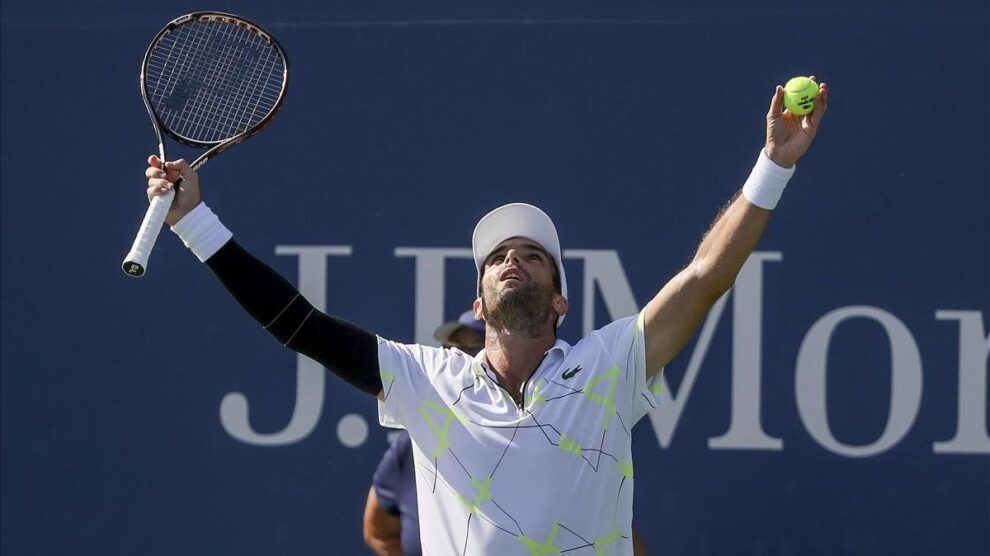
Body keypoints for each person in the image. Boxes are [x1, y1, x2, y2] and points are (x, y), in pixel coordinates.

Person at [144, 81, 827, 555]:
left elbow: (706, 278)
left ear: (560, 301)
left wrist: (772, 164)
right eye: (497, 256)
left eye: (533, 256)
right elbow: (300, 324)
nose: (512, 262)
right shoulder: (425, 380)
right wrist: (196, 223)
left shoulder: (610, 368)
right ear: (478, 301)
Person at [363, 312, 485, 556]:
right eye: (451, 349)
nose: (458, 361)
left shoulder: (534, 440)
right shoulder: (411, 445)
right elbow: (377, 532)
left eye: (472, 350)